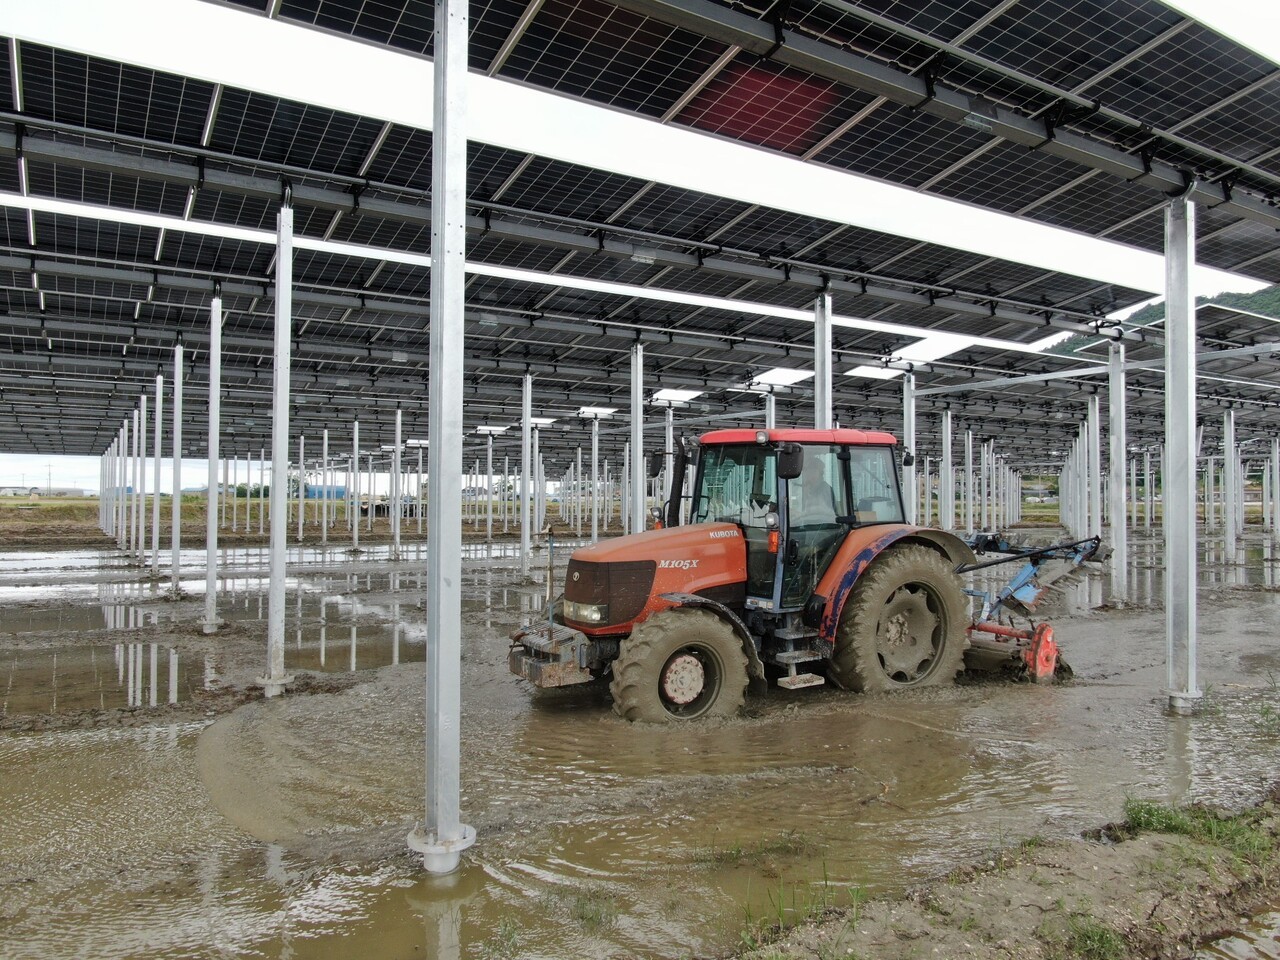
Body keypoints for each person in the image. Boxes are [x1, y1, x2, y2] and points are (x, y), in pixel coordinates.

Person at [791, 458, 837, 525]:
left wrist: (799, 514)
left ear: (819, 472)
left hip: (824, 527)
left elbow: (822, 511)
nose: (807, 473)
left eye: (811, 470)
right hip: (810, 525)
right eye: (807, 470)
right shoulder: (809, 488)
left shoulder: (824, 488)